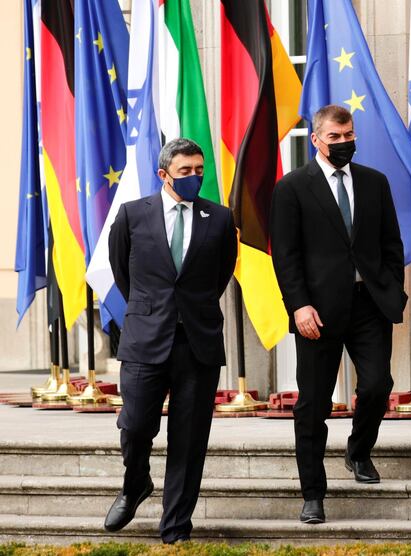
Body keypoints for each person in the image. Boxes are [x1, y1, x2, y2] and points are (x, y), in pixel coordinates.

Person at [270, 104, 407, 524]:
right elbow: (286, 256)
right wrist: (299, 306)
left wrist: (391, 288)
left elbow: (391, 244)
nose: (344, 143)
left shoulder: (374, 183)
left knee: (378, 385)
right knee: (313, 405)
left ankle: (359, 451)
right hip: (318, 312)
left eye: (349, 136)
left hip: (369, 304)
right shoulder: (292, 188)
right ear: (316, 139)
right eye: (335, 137)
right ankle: (313, 494)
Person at [104, 138, 238, 542]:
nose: (195, 177)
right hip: (146, 338)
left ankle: (176, 527)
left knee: (189, 437)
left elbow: (220, 275)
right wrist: (153, 311)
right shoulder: (132, 216)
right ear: (164, 174)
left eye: (199, 170)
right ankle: (136, 483)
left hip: (198, 342)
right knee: (135, 423)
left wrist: (187, 310)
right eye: (186, 171)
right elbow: (122, 272)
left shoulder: (219, 218)